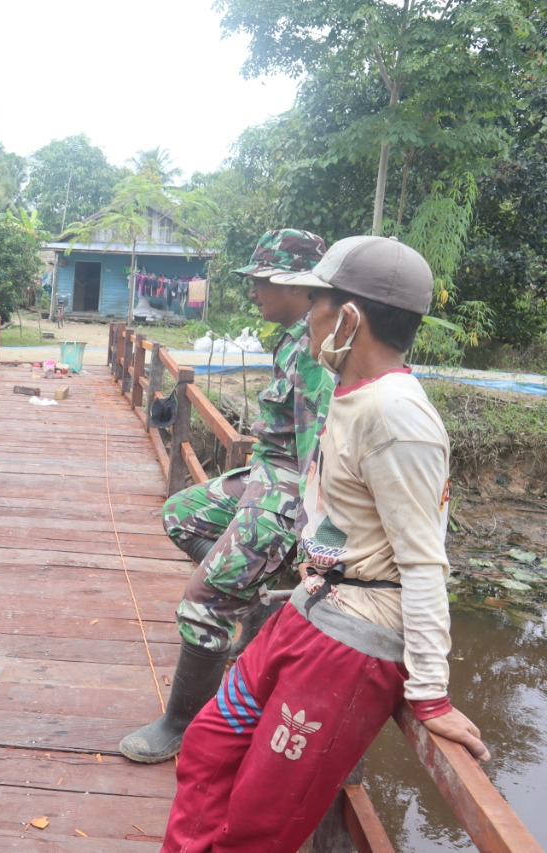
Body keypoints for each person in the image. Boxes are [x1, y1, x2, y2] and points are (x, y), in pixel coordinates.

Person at [160, 236, 490, 852]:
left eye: (315, 302)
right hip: (311, 607)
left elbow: (423, 562)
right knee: (207, 744)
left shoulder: (399, 419)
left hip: (351, 645)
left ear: (349, 317)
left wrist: (430, 691)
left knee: (258, 823)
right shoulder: (349, 391)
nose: (305, 316)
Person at [121, 229, 333, 764]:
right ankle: (243, 595)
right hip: (265, 470)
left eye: (263, 281)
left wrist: (315, 551)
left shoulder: (316, 349)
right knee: (182, 516)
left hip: (288, 490)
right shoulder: (291, 334)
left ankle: (183, 723)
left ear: (297, 285)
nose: (254, 292)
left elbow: (318, 457)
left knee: (200, 604)